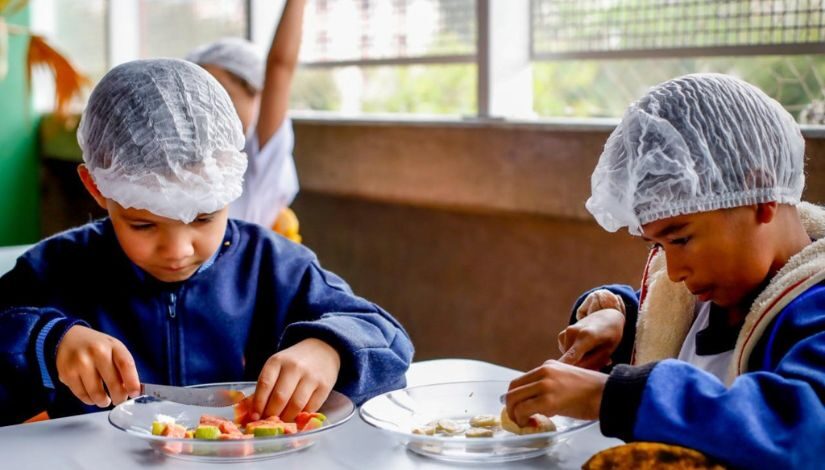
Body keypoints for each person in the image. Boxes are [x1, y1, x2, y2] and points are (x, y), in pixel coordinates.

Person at [0, 58, 413, 426]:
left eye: (204, 217)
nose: (178, 250)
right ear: (96, 188)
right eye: (143, 225)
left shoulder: (272, 265)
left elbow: (389, 342)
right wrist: (45, 342)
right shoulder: (55, 270)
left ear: (232, 183)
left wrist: (330, 349)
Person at [503, 74, 825, 468]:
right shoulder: (710, 294)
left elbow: (804, 435)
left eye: (682, 240)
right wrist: (619, 319)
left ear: (761, 195)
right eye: (658, 246)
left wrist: (610, 396)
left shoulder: (815, 311)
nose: (672, 273)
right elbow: (672, 338)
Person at [186, 0, 306, 242]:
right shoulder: (192, 162)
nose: (209, 107)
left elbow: (280, 67)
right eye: (198, 95)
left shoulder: (256, 164)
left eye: (224, 93)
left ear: (259, 97)